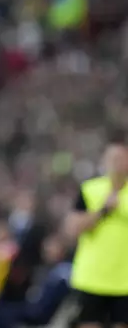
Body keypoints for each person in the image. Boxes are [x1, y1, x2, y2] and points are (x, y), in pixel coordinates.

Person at [66, 131, 128, 328]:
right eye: (113, 158)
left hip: (124, 282)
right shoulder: (90, 189)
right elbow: (73, 228)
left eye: (122, 158)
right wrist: (102, 211)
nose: (117, 163)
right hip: (92, 278)